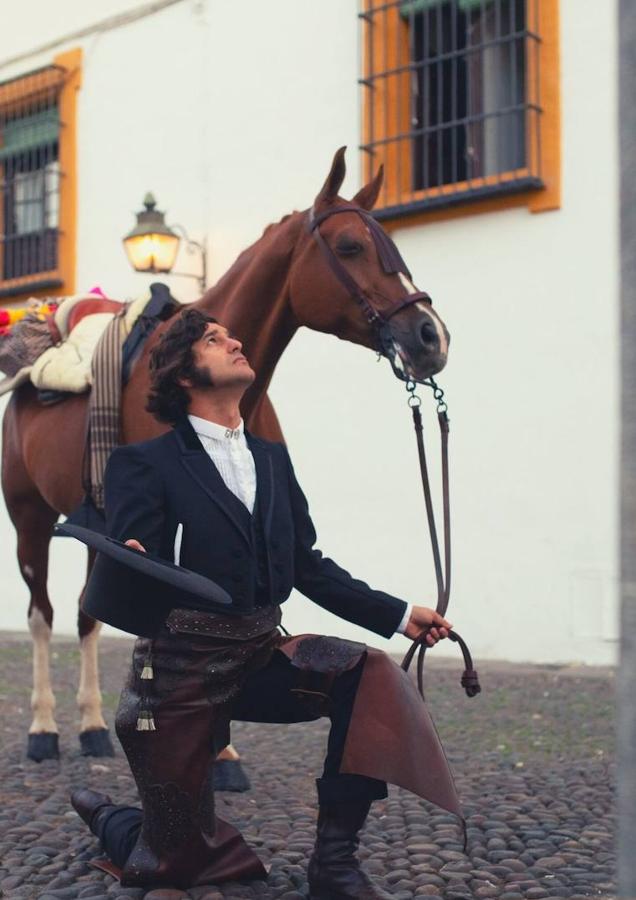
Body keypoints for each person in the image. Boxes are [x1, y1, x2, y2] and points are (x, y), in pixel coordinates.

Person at [70, 308, 458, 898]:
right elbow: (135, 563)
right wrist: (131, 555)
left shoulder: (272, 460)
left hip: (258, 655)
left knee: (368, 676)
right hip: (177, 673)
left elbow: (307, 566)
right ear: (183, 374)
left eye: (230, 334)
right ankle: (110, 819)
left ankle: (334, 865)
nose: (235, 341)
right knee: (178, 862)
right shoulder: (142, 463)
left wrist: (400, 615)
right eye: (213, 339)